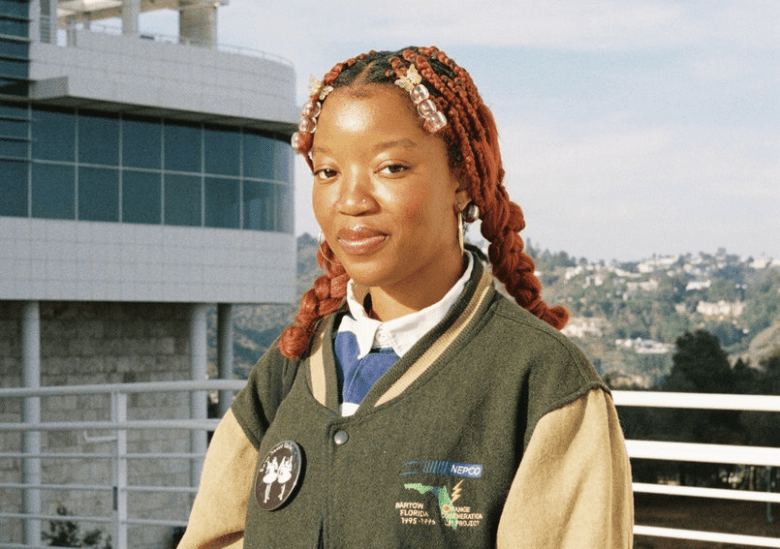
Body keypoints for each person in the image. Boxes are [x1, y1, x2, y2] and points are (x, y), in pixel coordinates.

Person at [177, 46, 633, 549]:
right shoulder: (290, 369)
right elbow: (215, 537)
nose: (351, 201)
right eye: (327, 172)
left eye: (390, 168)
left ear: (462, 181)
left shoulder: (542, 384)